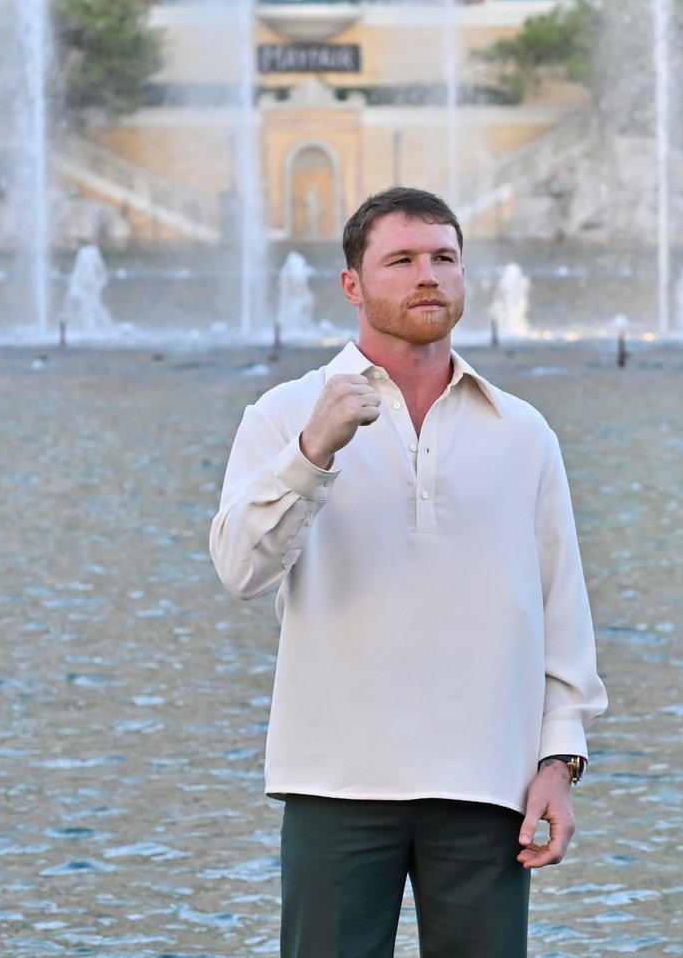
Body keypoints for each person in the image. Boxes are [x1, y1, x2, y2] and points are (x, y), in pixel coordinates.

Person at [210, 186, 606, 958]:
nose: (428, 275)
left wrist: (558, 761)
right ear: (352, 284)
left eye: (444, 258)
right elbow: (240, 568)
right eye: (401, 259)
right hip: (336, 780)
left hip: (487, 782)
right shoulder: (283, 414)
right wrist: (313, 450)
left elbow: (561, 612)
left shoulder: (522, 431)